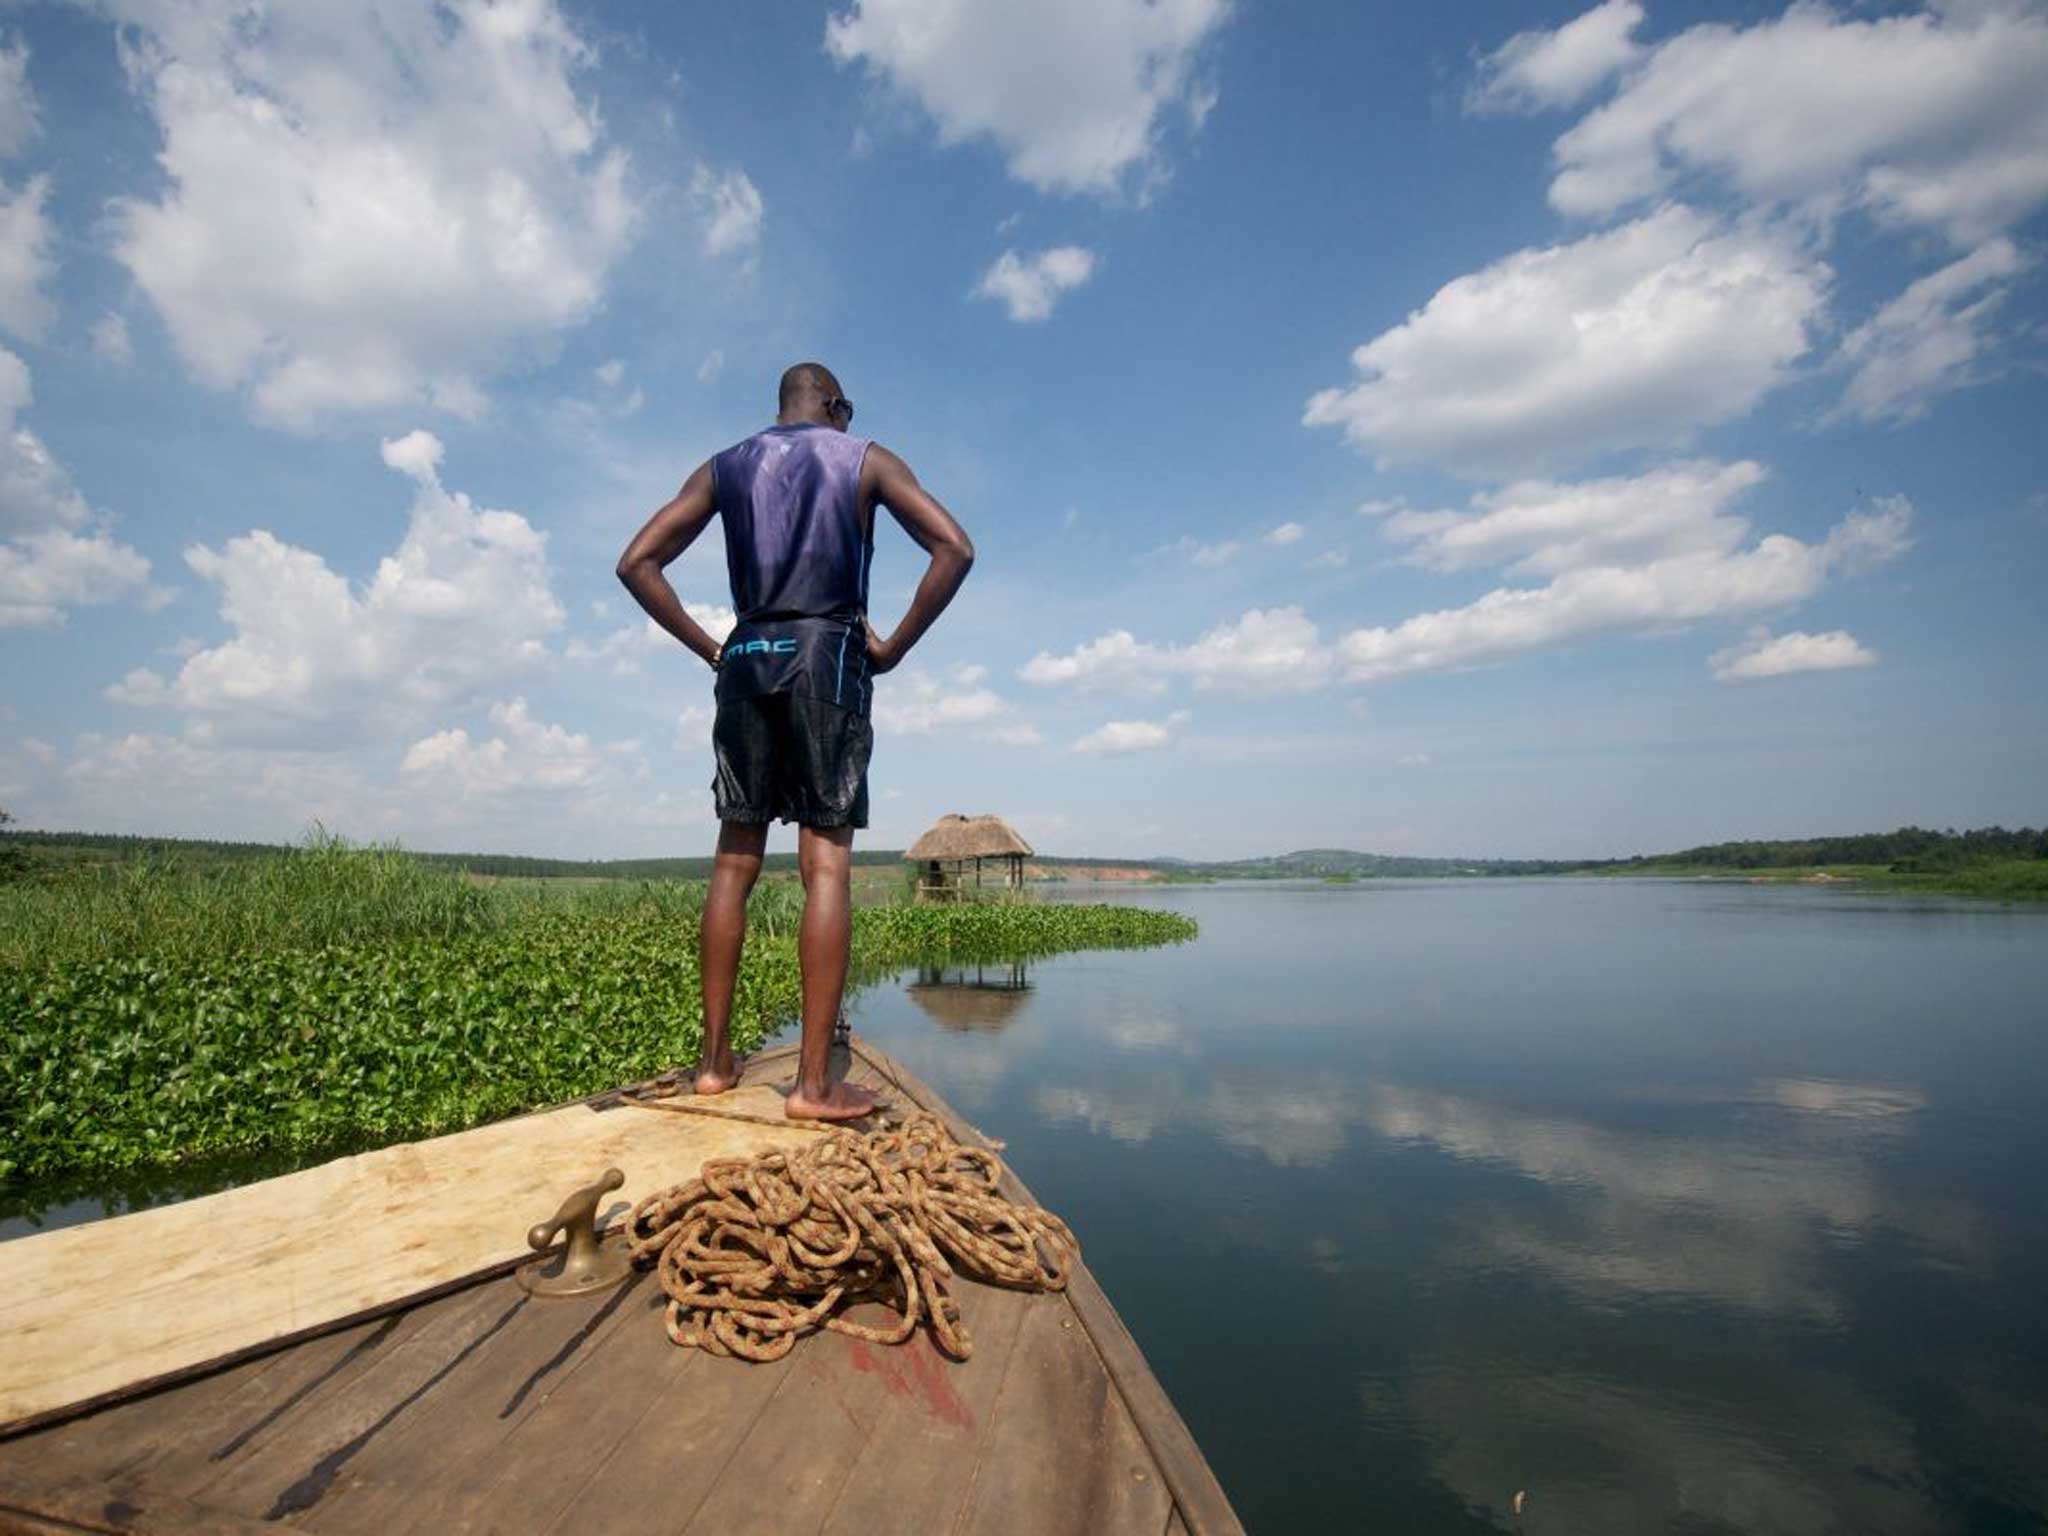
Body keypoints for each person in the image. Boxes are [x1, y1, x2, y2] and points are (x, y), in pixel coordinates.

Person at [616, 363, 974, 1121]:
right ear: (835, 408)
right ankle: (814, 1087)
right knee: (827, 864)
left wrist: (714, 648)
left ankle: (714, 1066)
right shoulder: (865, 457)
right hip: (827, 657)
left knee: (734, 858)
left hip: (746, 659)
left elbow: (635, 562)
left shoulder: (724, 467)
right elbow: (954, 548)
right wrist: (897, 646)